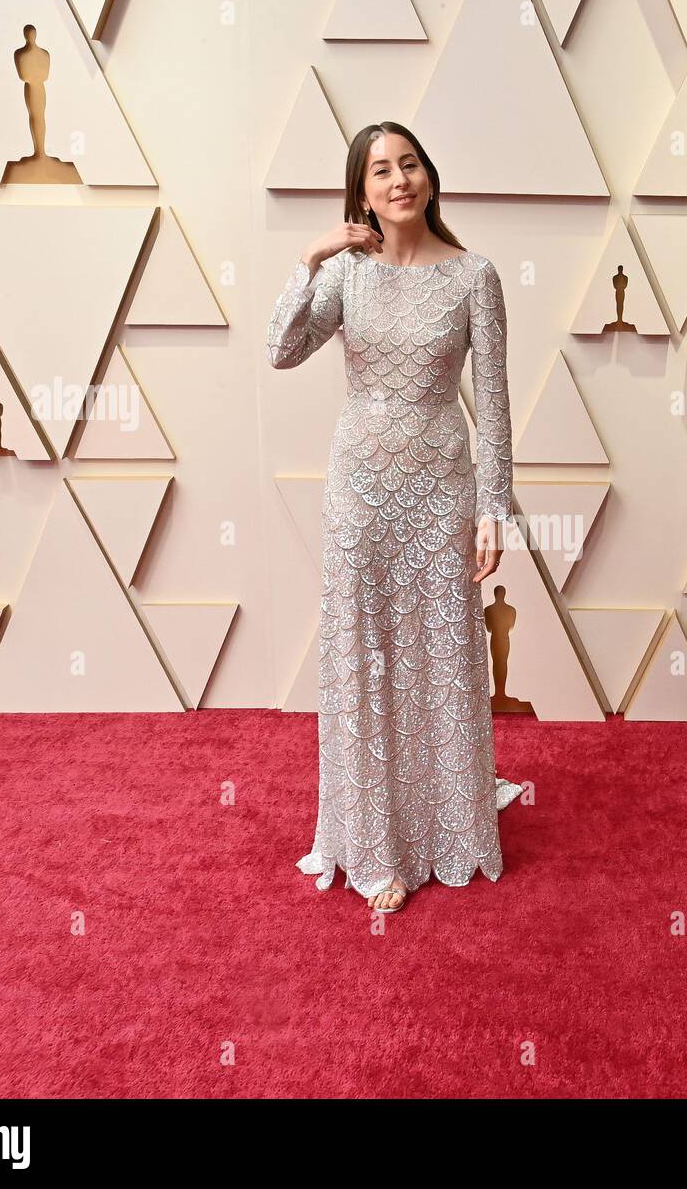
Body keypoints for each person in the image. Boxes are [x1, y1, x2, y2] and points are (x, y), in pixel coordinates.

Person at [266, 122, 520, 915]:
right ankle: (375, 843)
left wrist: (493, 507)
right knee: (365, 654)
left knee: (442, 650)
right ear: (362, 191)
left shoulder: (476, 275)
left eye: (408, 164)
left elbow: (498, 404)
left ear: (429, 176)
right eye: (380, 171)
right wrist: (306, 262)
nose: (398, 180)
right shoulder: (346, 273)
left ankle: (448, 826)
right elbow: (281, 350)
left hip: (442, 485)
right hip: (359, 490)